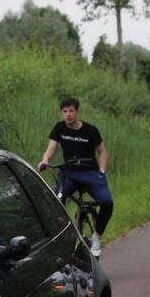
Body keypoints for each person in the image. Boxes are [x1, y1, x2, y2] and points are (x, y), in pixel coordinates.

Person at [37, 96, 113, 257]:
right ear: (61, 113)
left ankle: (97, 237)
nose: (68, 114)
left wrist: (102, 172)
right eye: (65, 111)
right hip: (69, 173)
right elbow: (51, 149)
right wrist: (45, 160)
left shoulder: (90, 130)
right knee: (55, 198)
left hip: (90, 173)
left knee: (107, 202)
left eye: (71, 111)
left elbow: (103, 152)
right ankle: (62, 233)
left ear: (77, 112)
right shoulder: (59, 128)